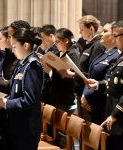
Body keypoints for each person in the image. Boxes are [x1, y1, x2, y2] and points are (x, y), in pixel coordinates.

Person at [0, 28, 44, 150]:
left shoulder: (32, 65)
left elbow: (30, 100)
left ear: (25, 45)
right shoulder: (23, 63)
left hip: (26, 127)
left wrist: (7, 104)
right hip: (18, 124)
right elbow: (15, 90)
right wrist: (5, 100)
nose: (12, 50)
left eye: (15, 46)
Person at [86, 20, 123, 150]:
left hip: (119, 117)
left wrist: (115, 115)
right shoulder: (120, 57)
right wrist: (98, 84)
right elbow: (115, 83)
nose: (114, 39)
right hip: (112, 114)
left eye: (116, 35)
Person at [81, 23, 119, 124]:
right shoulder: (105, 53)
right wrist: (85, 95)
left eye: (105, 31)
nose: (101, 34)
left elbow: (107, 81)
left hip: (101, 104)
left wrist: (88, 97)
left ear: (114, 35)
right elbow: (91, 75)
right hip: (91, 101)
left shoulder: (116, 56)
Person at [48, 28, 80, 115]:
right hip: (57, 94)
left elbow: (73, 76)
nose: (55, 44)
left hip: (66, 96)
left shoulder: (73, 53)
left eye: (57, 41)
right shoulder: (59, 53)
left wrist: (57, 69)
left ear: (66, 40)